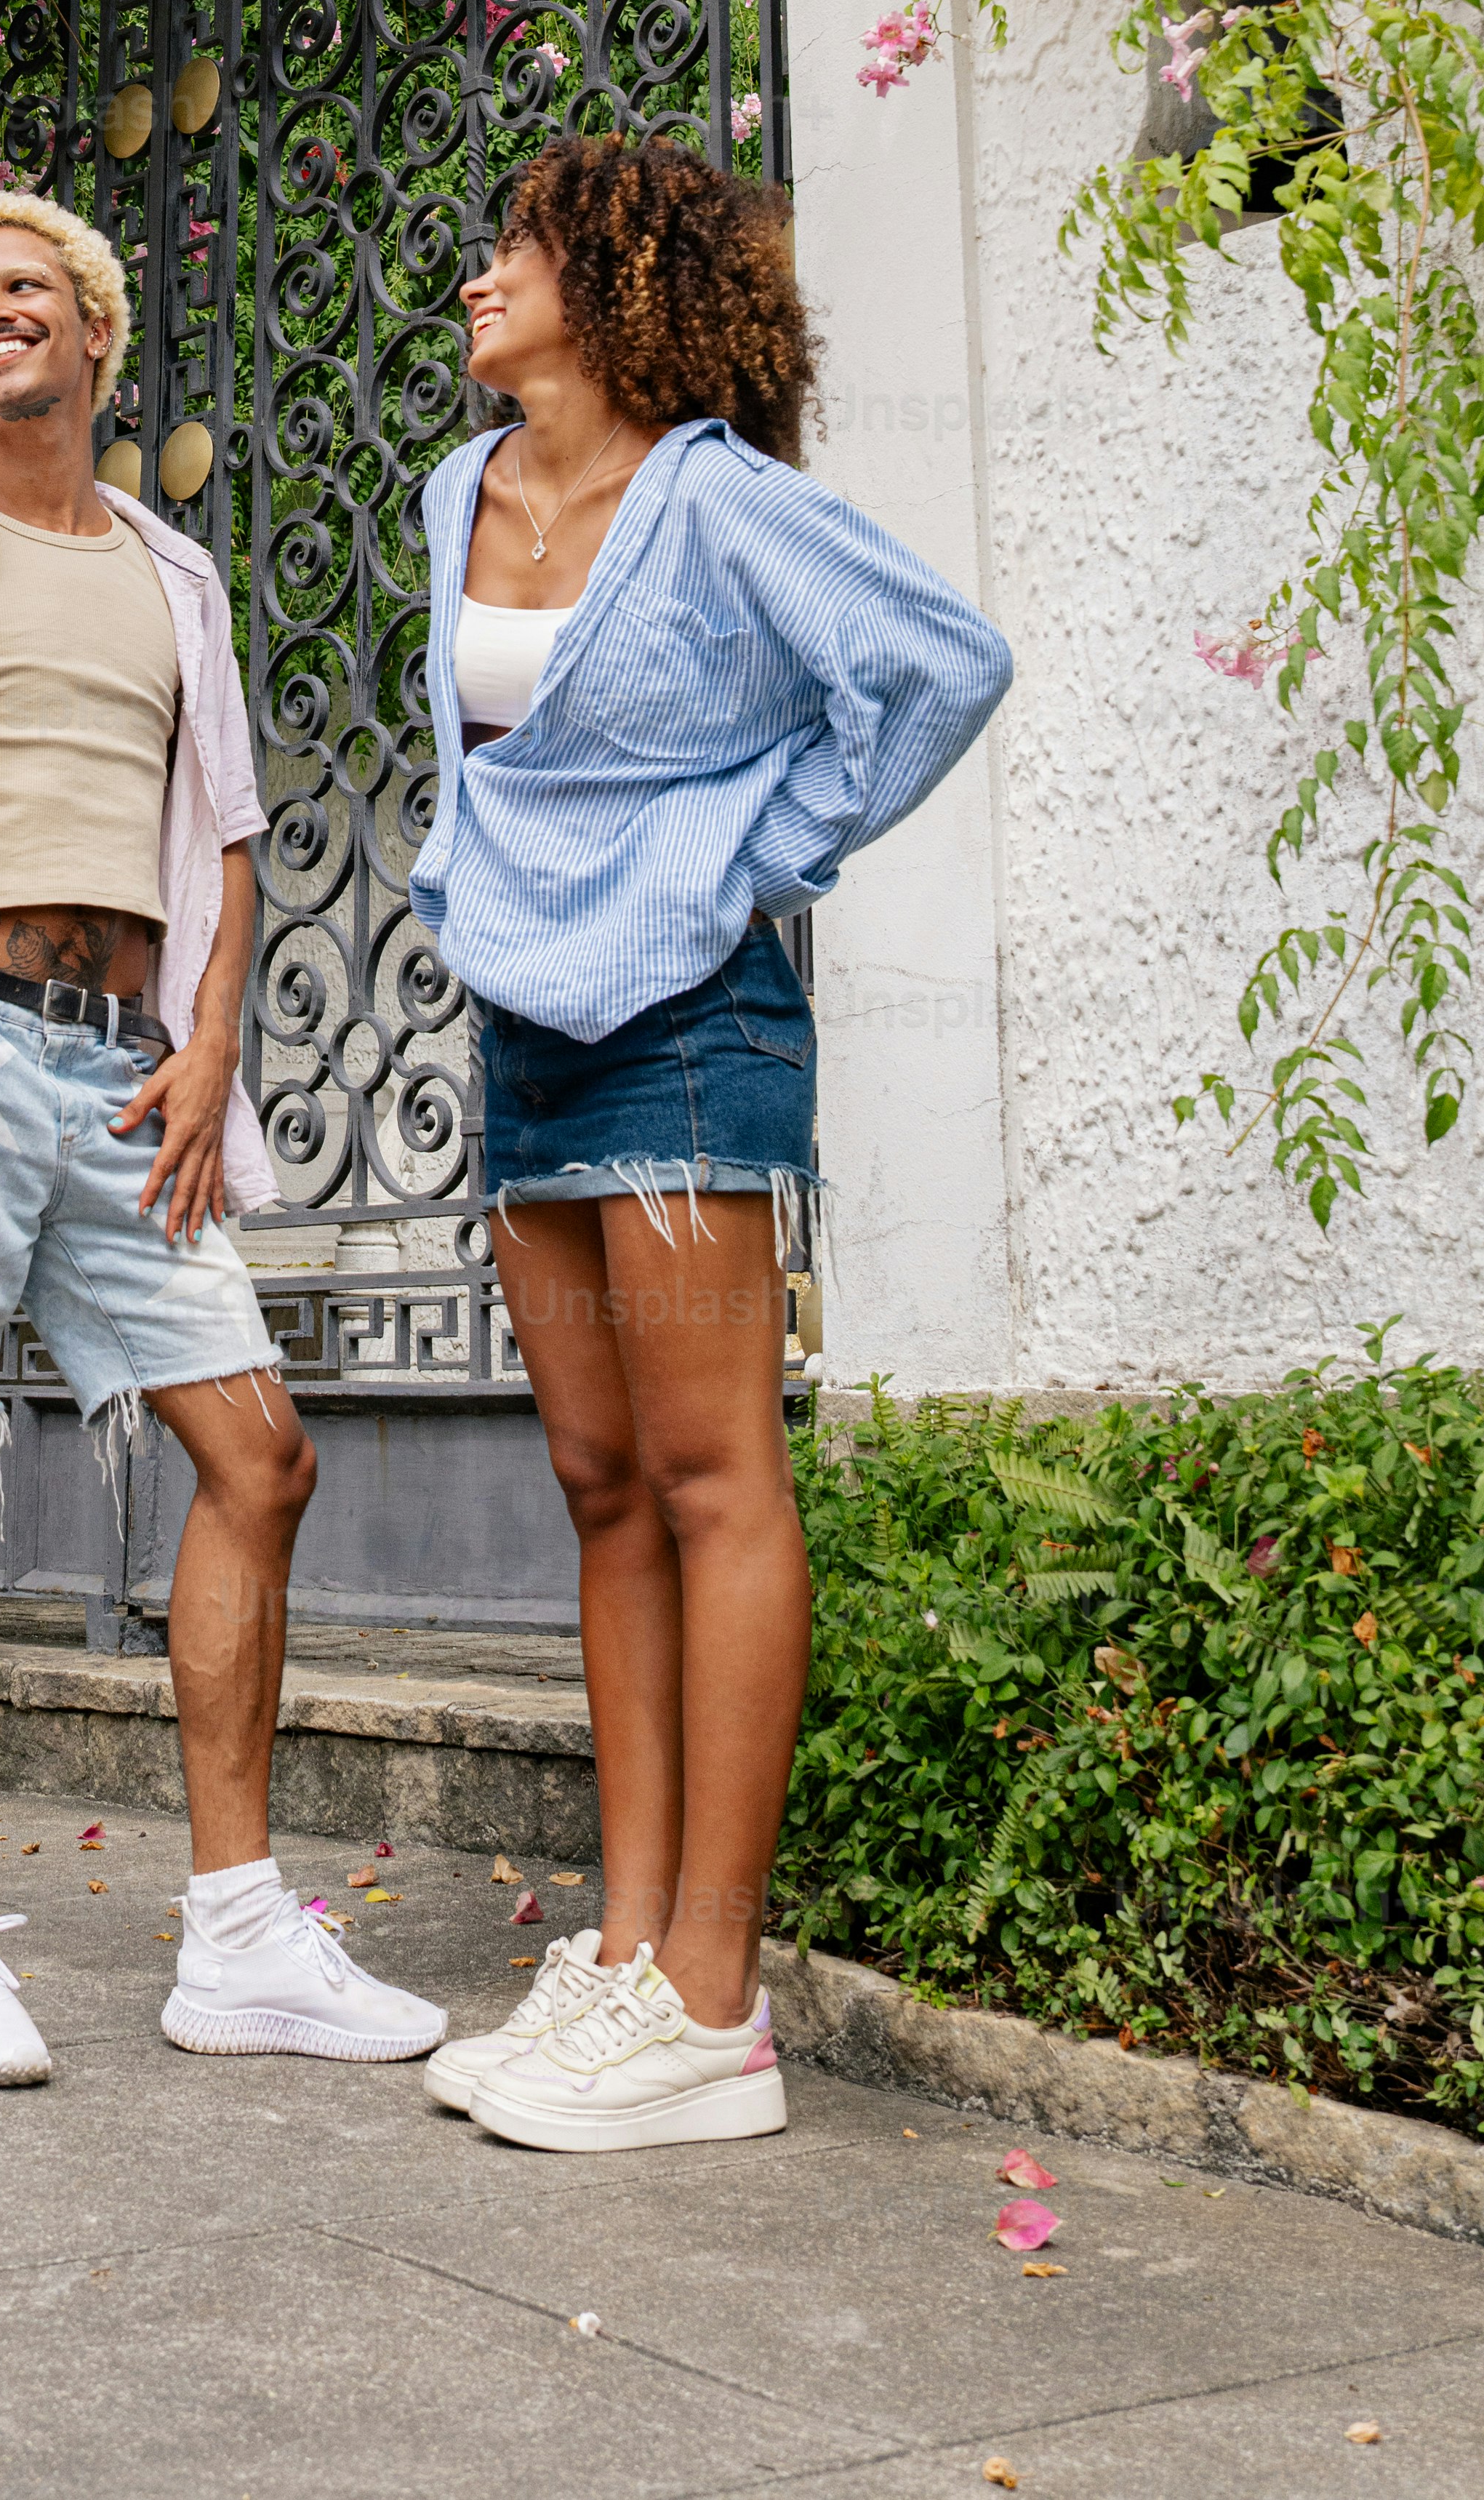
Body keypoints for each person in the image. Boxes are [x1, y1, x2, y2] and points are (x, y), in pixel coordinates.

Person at [0, 188, 445, 2089]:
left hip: (130, 1071)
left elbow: (224, 836)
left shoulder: (172, 576)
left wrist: (210, 1055)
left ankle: (236, 1940)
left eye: (20, 289)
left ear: (96, 330)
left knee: (259, 1456)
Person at [407, 130, 1010, 2155]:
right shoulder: (454, 497)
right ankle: (627, 1948)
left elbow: (943, 668)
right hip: (528, 1030)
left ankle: (714, 1997)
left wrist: (753, 851)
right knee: (596, 1484)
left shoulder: (727, 509)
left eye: (518, 246)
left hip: (690, 1021)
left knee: (710, 1472)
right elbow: (498, 770)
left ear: (617, 277)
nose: (481, 276)